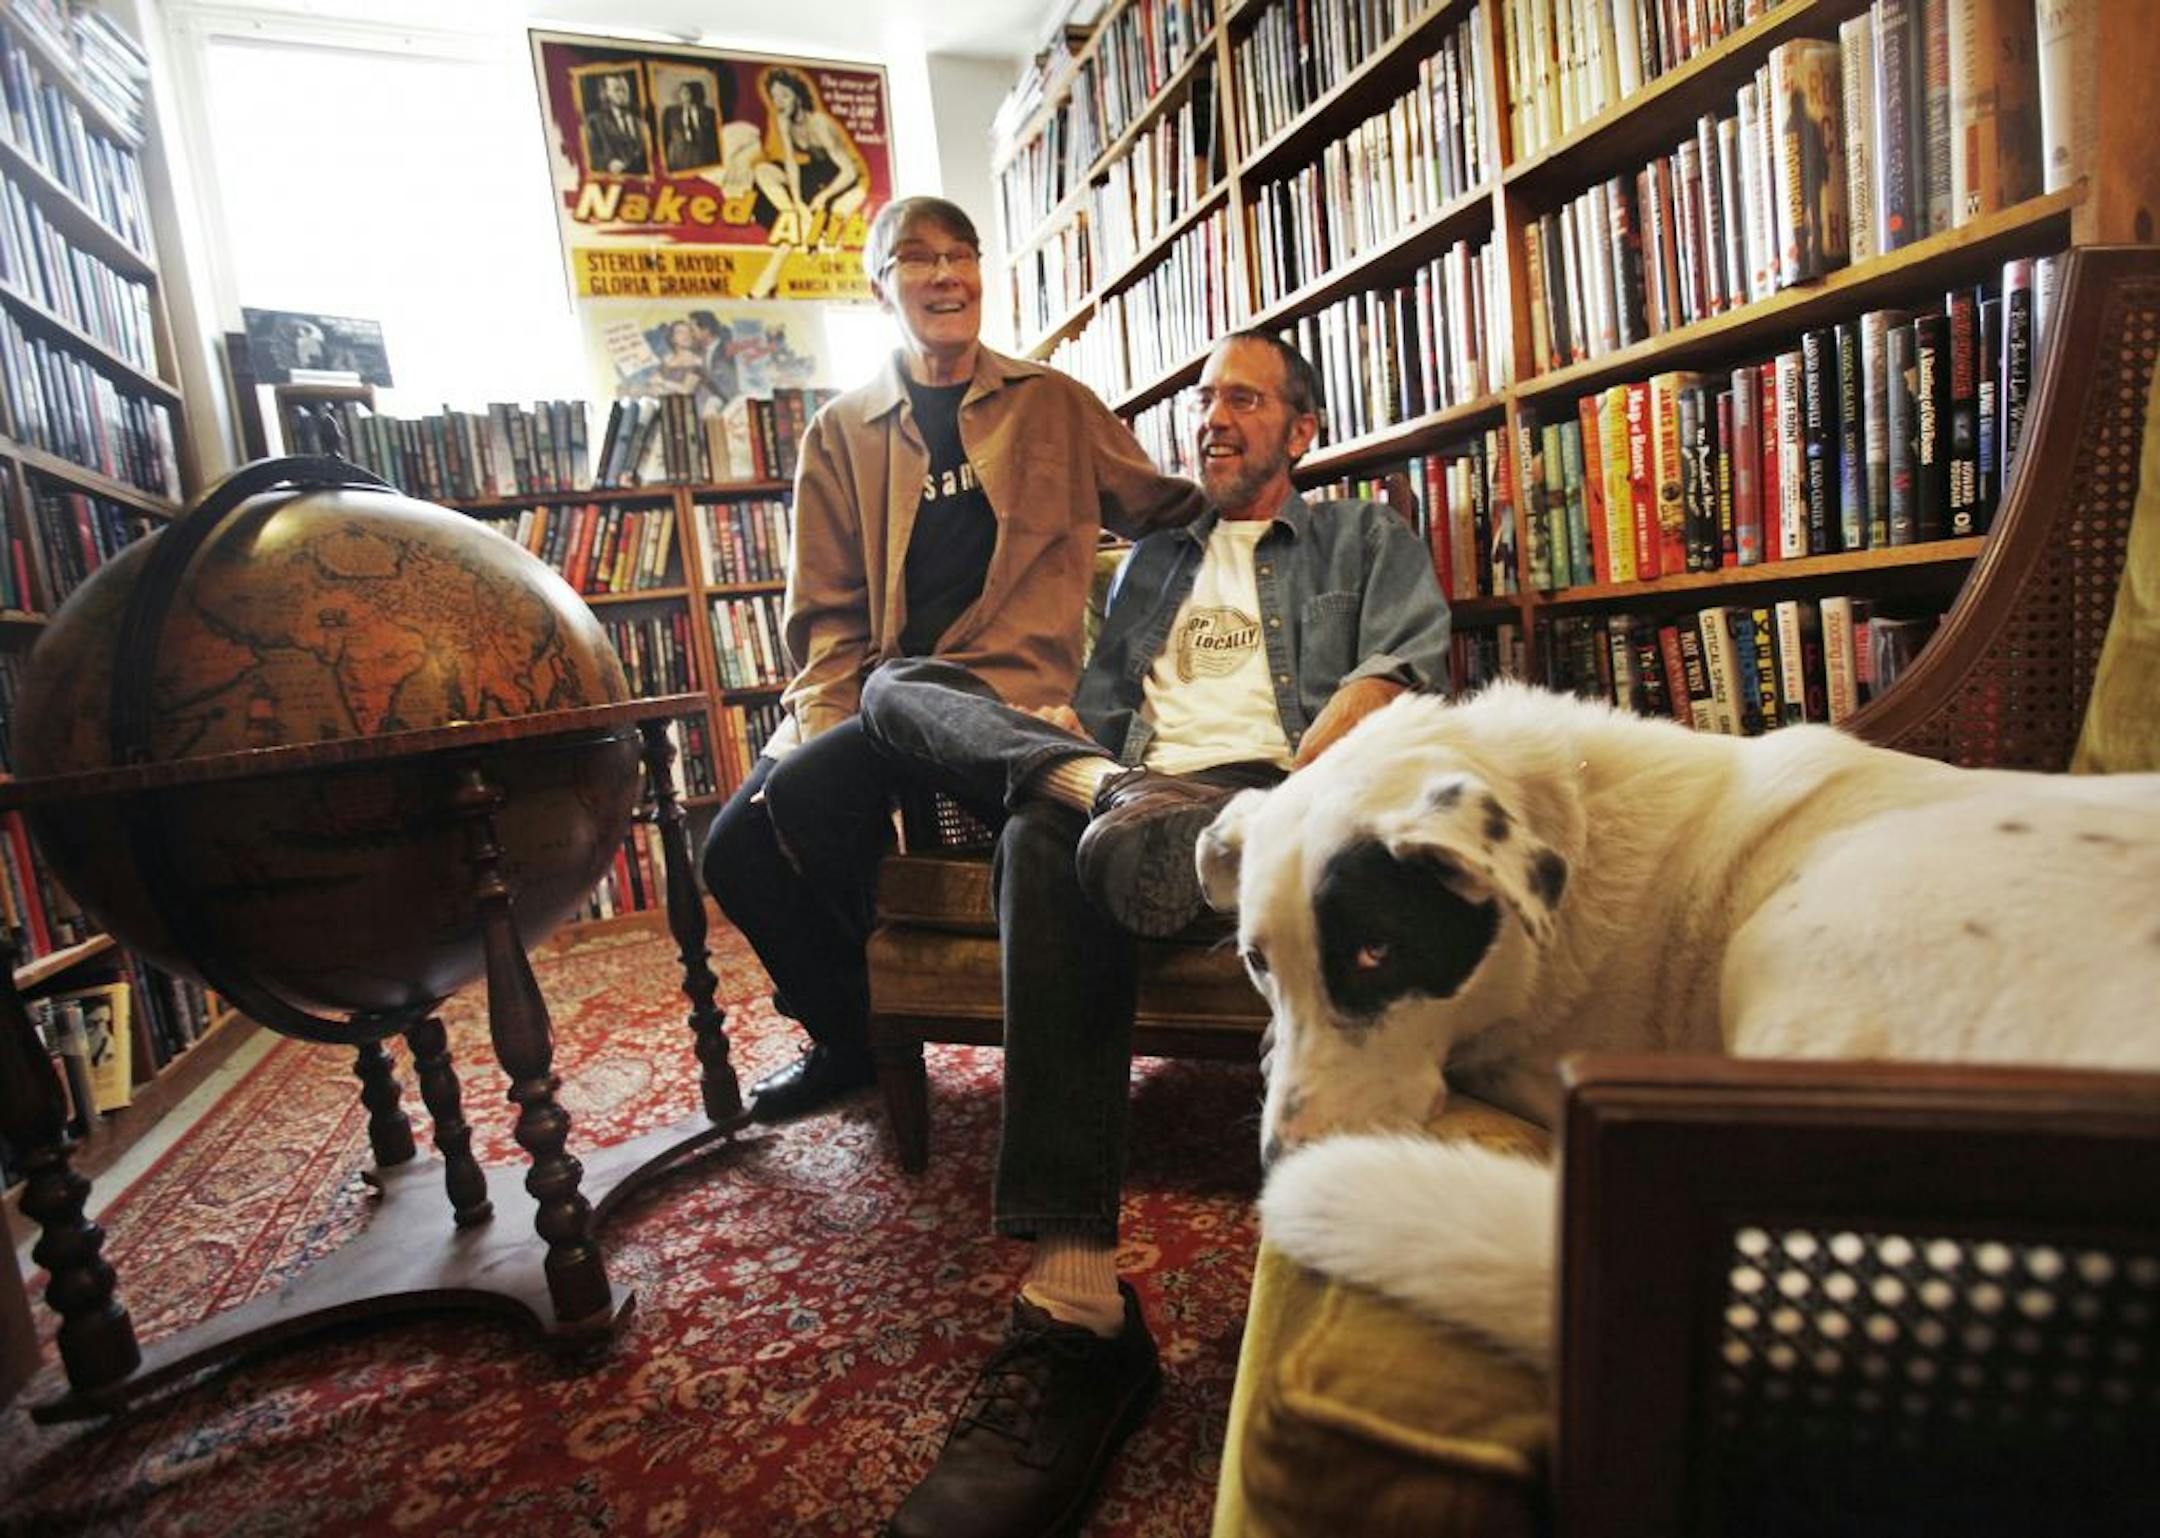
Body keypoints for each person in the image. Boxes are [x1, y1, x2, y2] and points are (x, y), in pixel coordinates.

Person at [855, 329, 1452, 1538]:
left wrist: (1281, 805)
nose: (1211, 415)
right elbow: (1104, 705)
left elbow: (1397, 674)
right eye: (1201, 398)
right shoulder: (1148, 565)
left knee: (1046, 835)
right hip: (1132, 796)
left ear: (1302, 427)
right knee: (899, 688)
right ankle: (1094, 802)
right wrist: (1070, 756)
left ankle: (1077, 1315)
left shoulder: (1361, 536)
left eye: (1241, 396)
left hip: (1268, 801)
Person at [699, 195, 1205, 1127]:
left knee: (886, 821)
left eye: (961, 255)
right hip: (875, 698)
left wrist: (1279, 504)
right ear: (879, 285)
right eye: (918, 258)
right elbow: (823, 616)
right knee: (736, 850)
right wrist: (826, 725)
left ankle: (904, 1023)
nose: (945, 275)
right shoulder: (840, 433)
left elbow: (1166, 512)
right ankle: (854, 1036)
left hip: (1003, 704)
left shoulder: (1053, 402)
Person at [752, 67, 865, 250]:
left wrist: (824, 196)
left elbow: (849, 171)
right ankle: (794, 218)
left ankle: (809, 231)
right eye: (775, 97)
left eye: (785, 96)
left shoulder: (819, 123)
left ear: (797, 96)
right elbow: (791, 162)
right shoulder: (784, 121)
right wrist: (797, 201)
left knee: (832, 215)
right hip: (816, 173)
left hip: (841, 177)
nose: (779, 103)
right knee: (762, 171)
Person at [584, 70, 649, 177]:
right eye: (617, 90)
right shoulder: (594, 121)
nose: (622, 94)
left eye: (625, 90)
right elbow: (590, 156)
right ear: (607, 93)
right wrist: (608, 164)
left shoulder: (641, 123)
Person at [661, 77, 721, 173]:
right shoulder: (670, 113)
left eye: (691, 92)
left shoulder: (709, 113)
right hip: (679, 160)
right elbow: (665, 138)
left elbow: (715, 140)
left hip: (703, 159)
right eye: (684, 92)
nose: (688, 96)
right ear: (679, 95)